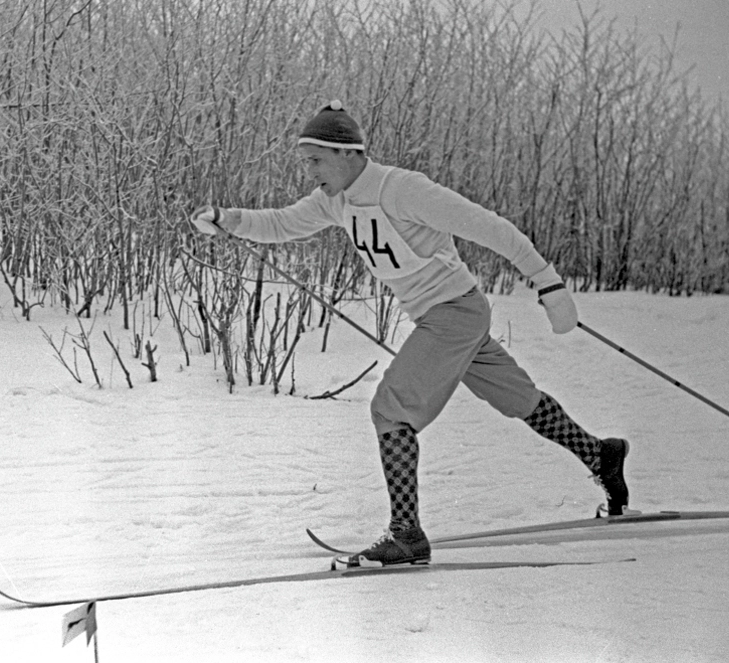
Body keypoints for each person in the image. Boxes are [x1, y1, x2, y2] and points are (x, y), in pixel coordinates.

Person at [190, 100, 631, 567]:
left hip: (453, 314)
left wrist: (549, 283)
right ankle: (601, 455)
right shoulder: (336, 200)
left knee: (391, 407)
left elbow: (490, 228)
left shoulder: (402, 190)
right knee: (519, 400)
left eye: (316, 159)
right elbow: (281, 223)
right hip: (446, 317)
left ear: (348, 154)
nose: (311, 170)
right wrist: (228, 219)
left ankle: (406, 534)